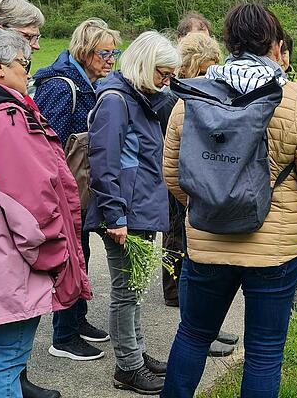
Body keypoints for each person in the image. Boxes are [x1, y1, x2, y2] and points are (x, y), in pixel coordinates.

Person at [161, 3, 297, 397]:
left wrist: (208, 205)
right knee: (265, 352)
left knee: (191, 336)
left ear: (228, 43)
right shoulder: (292, 100)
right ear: (275, 46)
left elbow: (173, 173)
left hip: (207, 245)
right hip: (275, 253)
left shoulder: (192, 96)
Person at [0, 24, 90, 398]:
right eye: (23, 61)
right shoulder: (6, 118)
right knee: (4, 364)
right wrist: (56, 259)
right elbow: (31, 207)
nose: (29, 69)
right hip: (9, 269)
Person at [84, 31, 181, 395]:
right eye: (162, 73)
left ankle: (137, 353)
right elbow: (103, 163)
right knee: (126, 292)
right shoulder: (115, 100)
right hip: (124, 214)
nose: (167, 81)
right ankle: (127, 367)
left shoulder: (142, 99)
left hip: (142, 210)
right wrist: (115, 216)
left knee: (136, 290)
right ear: (144, 65)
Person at [33, 18, 122, 362]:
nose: (112, 59)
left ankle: (78, 320)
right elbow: (47, 143)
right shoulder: (61, 86)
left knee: (80, 254)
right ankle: (64, 335)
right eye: (105, 52)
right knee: (70, 258)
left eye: (116, 52)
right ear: (85, 52)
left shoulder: (89, 82)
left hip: (81, 189)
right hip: (65, 189)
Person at [158, 32, 238, 356]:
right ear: (190, 68)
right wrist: (189, 201)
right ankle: (196, 335)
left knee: (200, 266)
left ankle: (208, 329)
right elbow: (170, 166)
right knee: (185, 263)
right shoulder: (175, 102)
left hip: (198, 198)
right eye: (204, 71)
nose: (211, 78)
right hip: (183, 199)